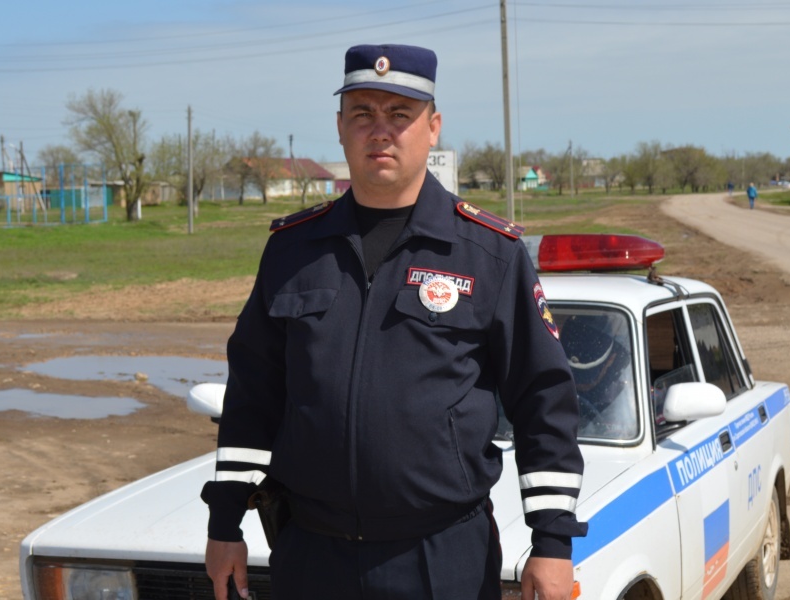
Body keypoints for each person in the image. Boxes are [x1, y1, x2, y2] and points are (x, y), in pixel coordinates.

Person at [201, 43, 586, 600]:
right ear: (340, 128)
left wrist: (553, 543)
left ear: (432, 128)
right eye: (363, 114)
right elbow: (253, 395)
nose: (380, 131)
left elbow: (543, 400)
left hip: (441, 559)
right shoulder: (292, 250)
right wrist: (225, 523)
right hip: (311, 556)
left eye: (399, 115)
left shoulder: (488, 253)